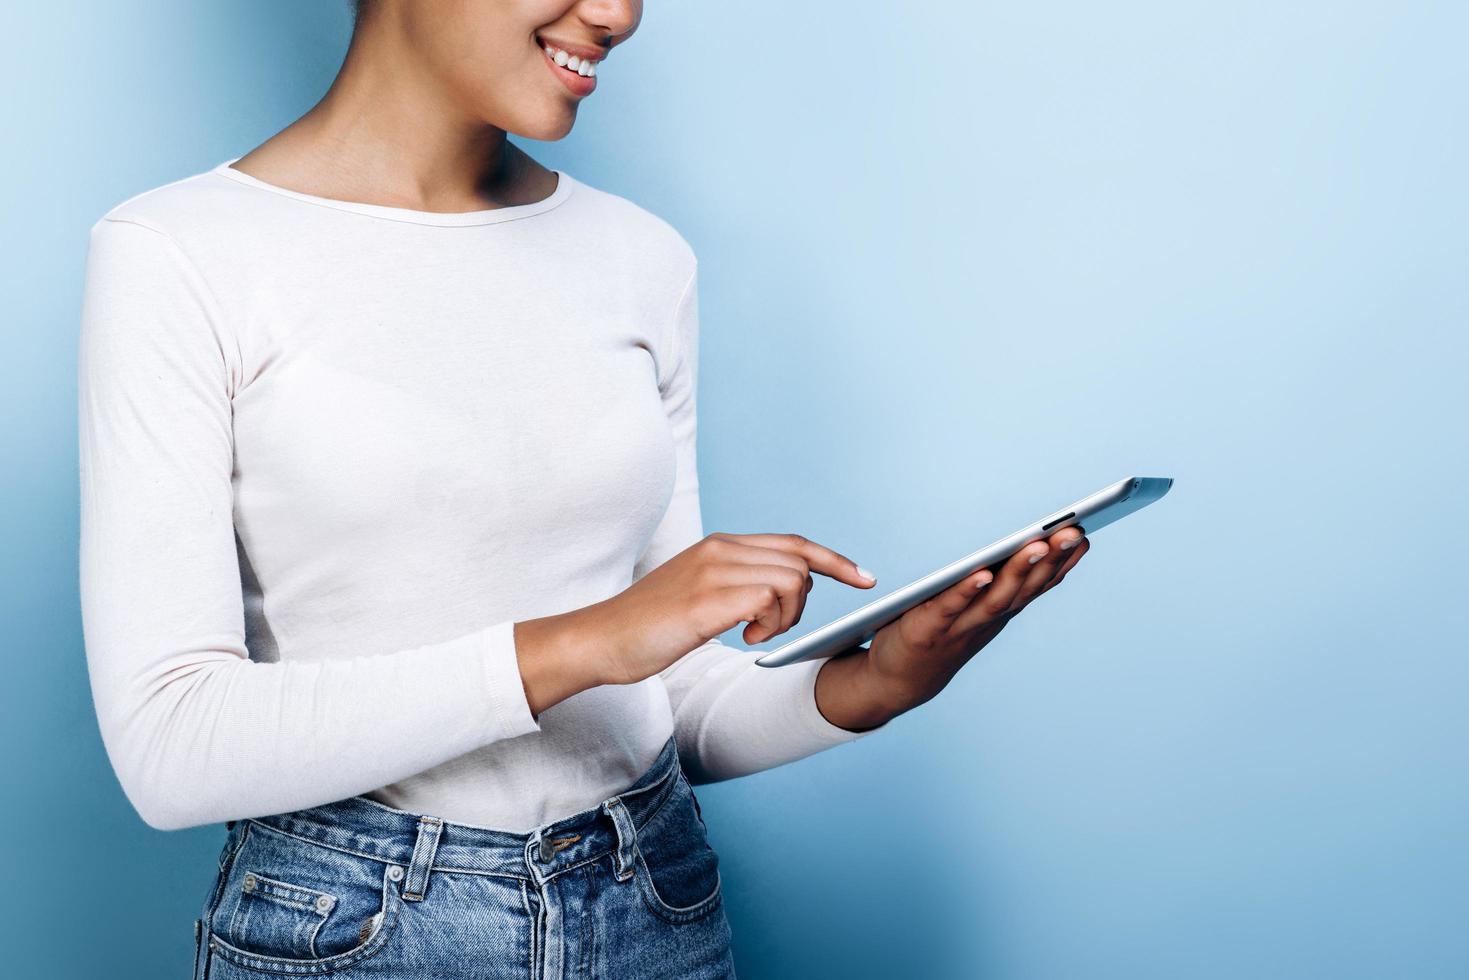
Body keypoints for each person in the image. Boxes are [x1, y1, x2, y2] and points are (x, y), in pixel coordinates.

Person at [76, 1, 1090, 976]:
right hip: (354, 929)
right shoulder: (181, 253)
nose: (616, 13)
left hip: (654, 901)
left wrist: (873, 682)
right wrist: (586, 637)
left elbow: (667, 699)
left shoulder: (639, 257)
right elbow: (174, 744)